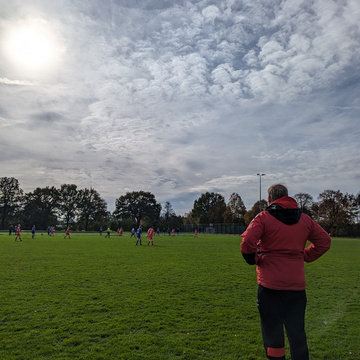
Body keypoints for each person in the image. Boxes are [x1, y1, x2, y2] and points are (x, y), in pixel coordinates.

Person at [240, 184, 331, 360]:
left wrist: (253, 259)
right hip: (296, 287)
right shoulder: (305, 220)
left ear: (269, 199)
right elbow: (325, 241)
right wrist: (305, 255)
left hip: (270, 286)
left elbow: (247, 241)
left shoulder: (263, 217)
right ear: (288, 197)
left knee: (273, 336)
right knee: (297, 333)